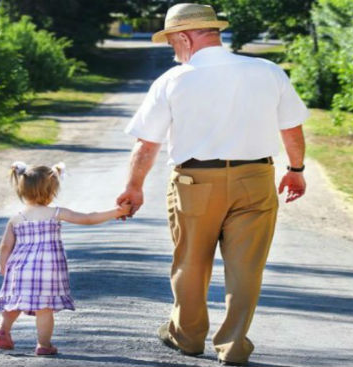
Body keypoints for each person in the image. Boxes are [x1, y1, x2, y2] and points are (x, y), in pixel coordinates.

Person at [116, 3, 309, 366]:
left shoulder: (173, 81)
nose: (172, 49)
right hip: (256, 178)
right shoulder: (267, 71)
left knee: (190, 261)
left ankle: (187, 337)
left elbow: (146, 143)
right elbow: (291, 127)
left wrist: (134, 187)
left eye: (172, 41)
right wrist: (296, 168)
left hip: (195, 182)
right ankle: (233, 346)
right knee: (247, 267)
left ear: (185, 36)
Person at [0, 161, 131, 356]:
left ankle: (3, 330)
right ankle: (43, 345)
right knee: (44, 309)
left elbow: (5, 246)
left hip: (19, 269)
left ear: (22, 190)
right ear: (51, 190)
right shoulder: (55, 213)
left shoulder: (16, 218)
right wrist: (116, 212)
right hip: (47, 270)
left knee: (15, 301)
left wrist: (3, 267)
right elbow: (88, 218)